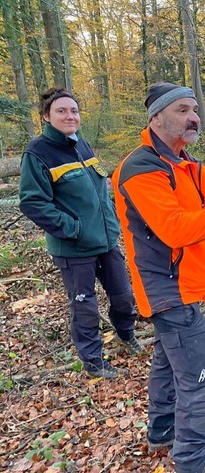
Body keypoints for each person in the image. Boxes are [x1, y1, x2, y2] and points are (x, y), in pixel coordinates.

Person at [111, 82, 205, 473]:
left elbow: (198, 231)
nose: (193, 116)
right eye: (182, 109)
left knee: (166, 360)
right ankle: (192, 463)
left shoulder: (185, 164)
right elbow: (176, 229)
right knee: (201, 384)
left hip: (181, 285)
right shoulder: (142, 168)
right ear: (156, 117)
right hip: (166, 289)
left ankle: (161, 434)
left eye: (194, 109)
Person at [19, 87, 140, 380]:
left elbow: (99, 191)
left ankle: (127, 335)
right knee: (84, 306)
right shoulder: (38, 153)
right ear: (47, 116)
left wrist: (112, 219)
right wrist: (73, 229)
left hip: (106, 241)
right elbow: (32, 202)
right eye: (61, 111)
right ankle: (93, 361)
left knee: (124, 296)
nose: (69, 115)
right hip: (73, 249)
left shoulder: (82, 145)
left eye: (74, 110)